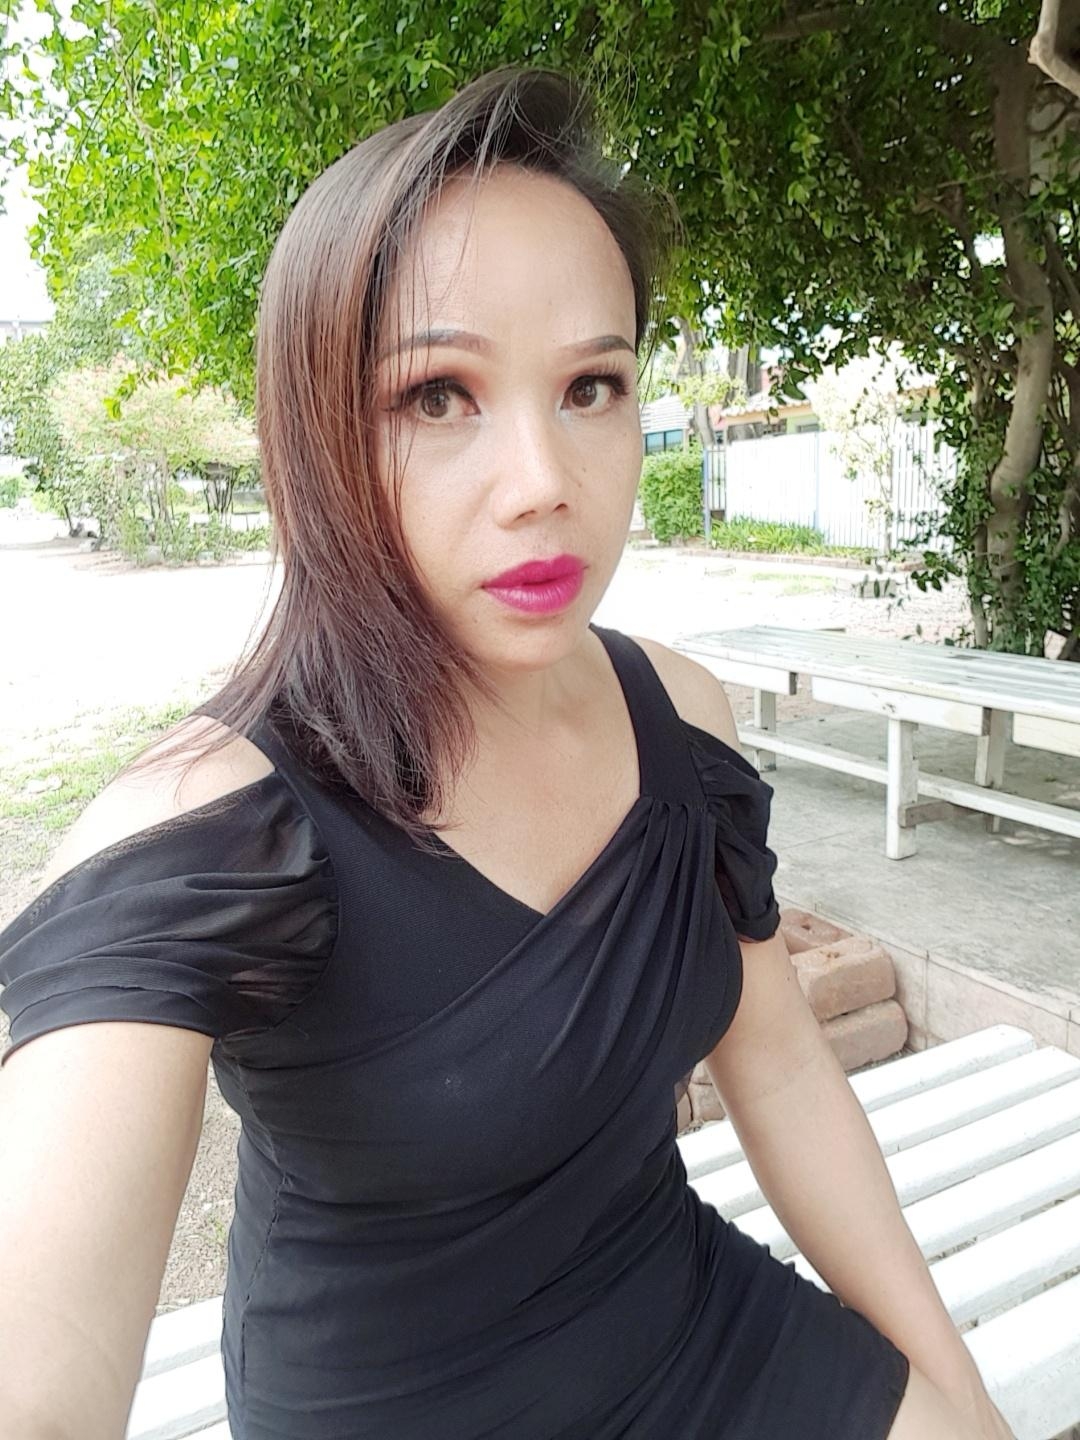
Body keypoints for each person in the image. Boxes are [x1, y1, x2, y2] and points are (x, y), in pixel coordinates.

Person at [0, 64, 1014, 1440]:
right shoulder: (209, 833)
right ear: (314, 433)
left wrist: (955, 1393)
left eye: (592, 385)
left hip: (694, 1326)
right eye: (437, 396)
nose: (545, 482)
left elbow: (779, 1064)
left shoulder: (682, 722)